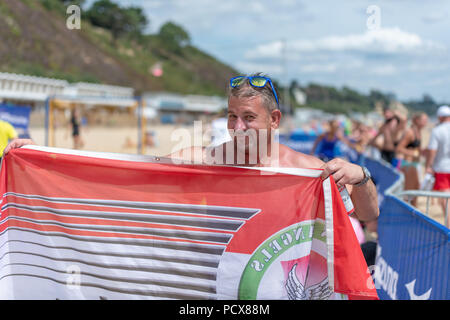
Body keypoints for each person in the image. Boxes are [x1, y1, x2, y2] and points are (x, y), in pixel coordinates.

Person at [5, 73, 379, 223]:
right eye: (232, 116)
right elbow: (125, 170)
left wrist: (360, 177)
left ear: (275, 120)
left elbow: (367, 216)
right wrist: (43, 157)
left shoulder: (308, 170)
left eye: (248, 117)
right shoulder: (206, 160)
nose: (237, 127)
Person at [395, 112, 428, 207]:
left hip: (415, 165)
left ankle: (412, 212)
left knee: (415, 191)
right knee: (409, 193)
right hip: (408, 165)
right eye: (424, 120)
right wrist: (413, 153)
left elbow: (415, 148)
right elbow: (399, 148)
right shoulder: (410, 132)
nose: (426, 122)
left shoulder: (418, 132)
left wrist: (423, 151)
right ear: (417, 121)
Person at [425, 105, 450, 225]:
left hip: (442, 168)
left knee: (445, 200)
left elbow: (432, 151)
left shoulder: (437, 130)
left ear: (440, 117)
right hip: (444, 167)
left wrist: (428, 165)